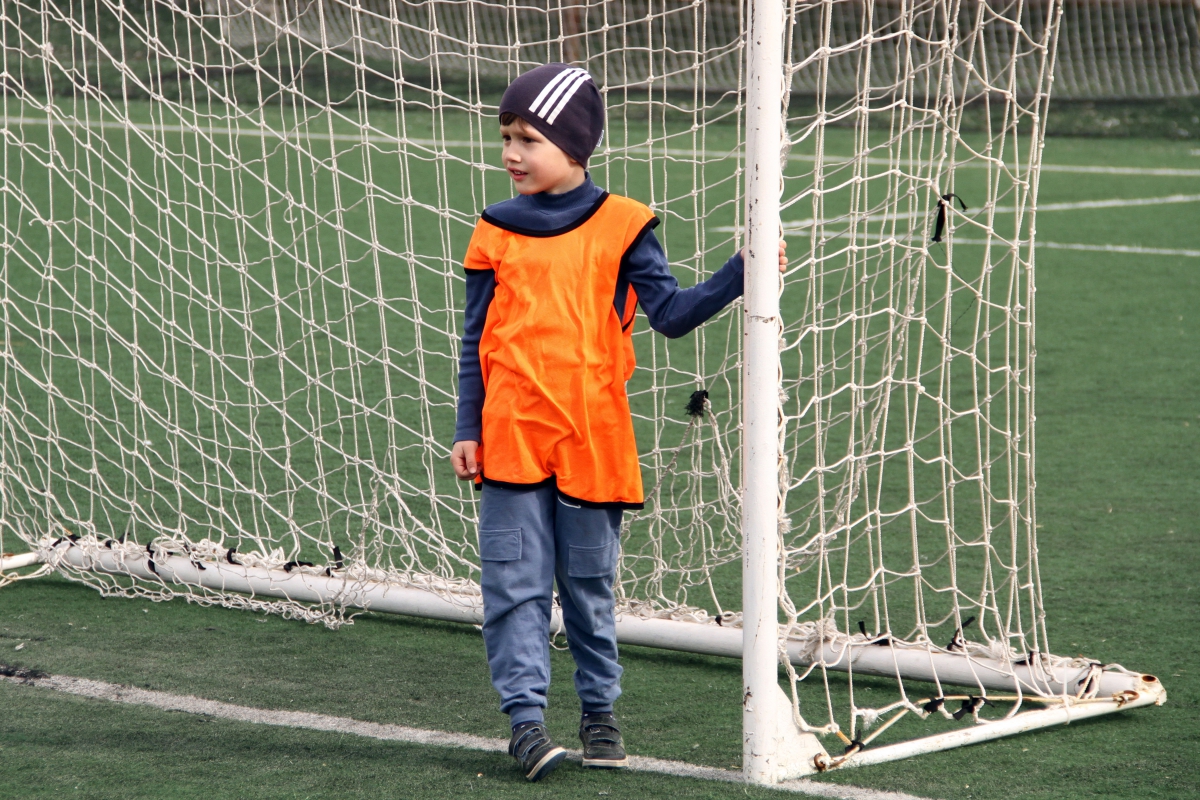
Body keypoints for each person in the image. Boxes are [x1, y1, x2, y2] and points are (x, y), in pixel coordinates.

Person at [449, 63, 786, 782]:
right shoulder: (493, 230)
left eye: (528, 139)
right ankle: (525, 724)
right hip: (510, 438)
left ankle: (599, 713)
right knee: (512, 586)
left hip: (593, 441)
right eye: (505, 137)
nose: (510, 153)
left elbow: (671, 315)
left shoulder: (626, 225)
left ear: (574, 145)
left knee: (588, 588)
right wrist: (466, 427)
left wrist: (741, 272)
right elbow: (476, 341)